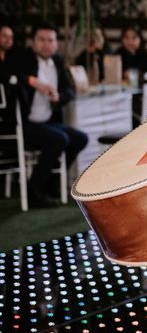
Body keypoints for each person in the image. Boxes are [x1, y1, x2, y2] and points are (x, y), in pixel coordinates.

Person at [17, 23, 88, 208]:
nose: (46, 44)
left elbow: (69, 91)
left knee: (80, 138)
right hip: (24, 124)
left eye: (50, 40)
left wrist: (58, 97)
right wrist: (34, 82)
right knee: (59, 139)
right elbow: (10, 76)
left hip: (47, 122)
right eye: (41, 39)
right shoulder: (23, 59)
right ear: (33, 42)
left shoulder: (57, 61)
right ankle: (35, 190)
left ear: (56, 44)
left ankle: (52, 182)